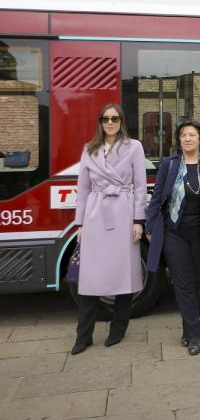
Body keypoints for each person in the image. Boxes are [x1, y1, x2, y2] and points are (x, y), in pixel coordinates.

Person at [71, 103, 147, 355]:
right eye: (105, 119)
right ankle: (84, 335)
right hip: (95, 215)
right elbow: (82, 189)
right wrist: (80, 224)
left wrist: (138, 220)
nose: (110, 122)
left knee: (122, 273)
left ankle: (118, 328)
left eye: (115, 118)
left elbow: (139, 185)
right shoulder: (89, 149)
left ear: (121, 121)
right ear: (100, 122)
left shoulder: (134, 147)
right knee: (90, 278)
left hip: (123, 213)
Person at [145, 120, 200, 355]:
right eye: (183, 135)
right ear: (179, 141)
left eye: (192, 135)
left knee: (199, 283)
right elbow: (157, 197)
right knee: (183, 283)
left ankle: (187, 327)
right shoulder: (169, 165)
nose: (187, 139)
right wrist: (151, 226)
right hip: (174, 232)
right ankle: (195, 335)